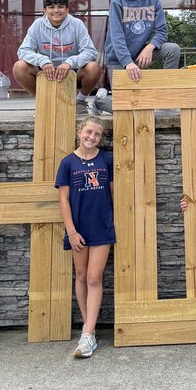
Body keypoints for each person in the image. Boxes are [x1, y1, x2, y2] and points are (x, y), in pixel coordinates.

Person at [55, 115, 115, 359]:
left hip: (101, 226)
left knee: (93, 277)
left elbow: (114, 192)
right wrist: (71, 230)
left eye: (97, 134)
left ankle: (89, 334)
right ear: (79, 132)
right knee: (80, 276)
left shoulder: (107, 160)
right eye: (88, 132)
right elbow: (63, 200)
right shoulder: (68, 163)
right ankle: (87, 327)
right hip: (78, 229)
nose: (92, 137)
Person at [101, 0, 180, 102]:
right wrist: (128, 62)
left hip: (140, 55)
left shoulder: (154, 0)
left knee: (173, 49)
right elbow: (117, 36)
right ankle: (100, 102)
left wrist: (150, 47)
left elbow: (162, 31)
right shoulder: (118, 0)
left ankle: (166, 94)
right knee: (126, 104)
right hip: (118, 59)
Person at [13, 0, 101, 104]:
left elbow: (91, 52)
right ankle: (43, 101)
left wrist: (69, 63)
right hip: (46, 71)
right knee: (19, 67)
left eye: (60, 7)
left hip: (71, 71)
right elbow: (23, 51)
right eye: (51, 7)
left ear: (67, 9)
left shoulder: (77, 24)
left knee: (93, 67)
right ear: (44, 10)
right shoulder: (37, 25)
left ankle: (80, 101)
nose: (56, 11)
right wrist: (43, 61)